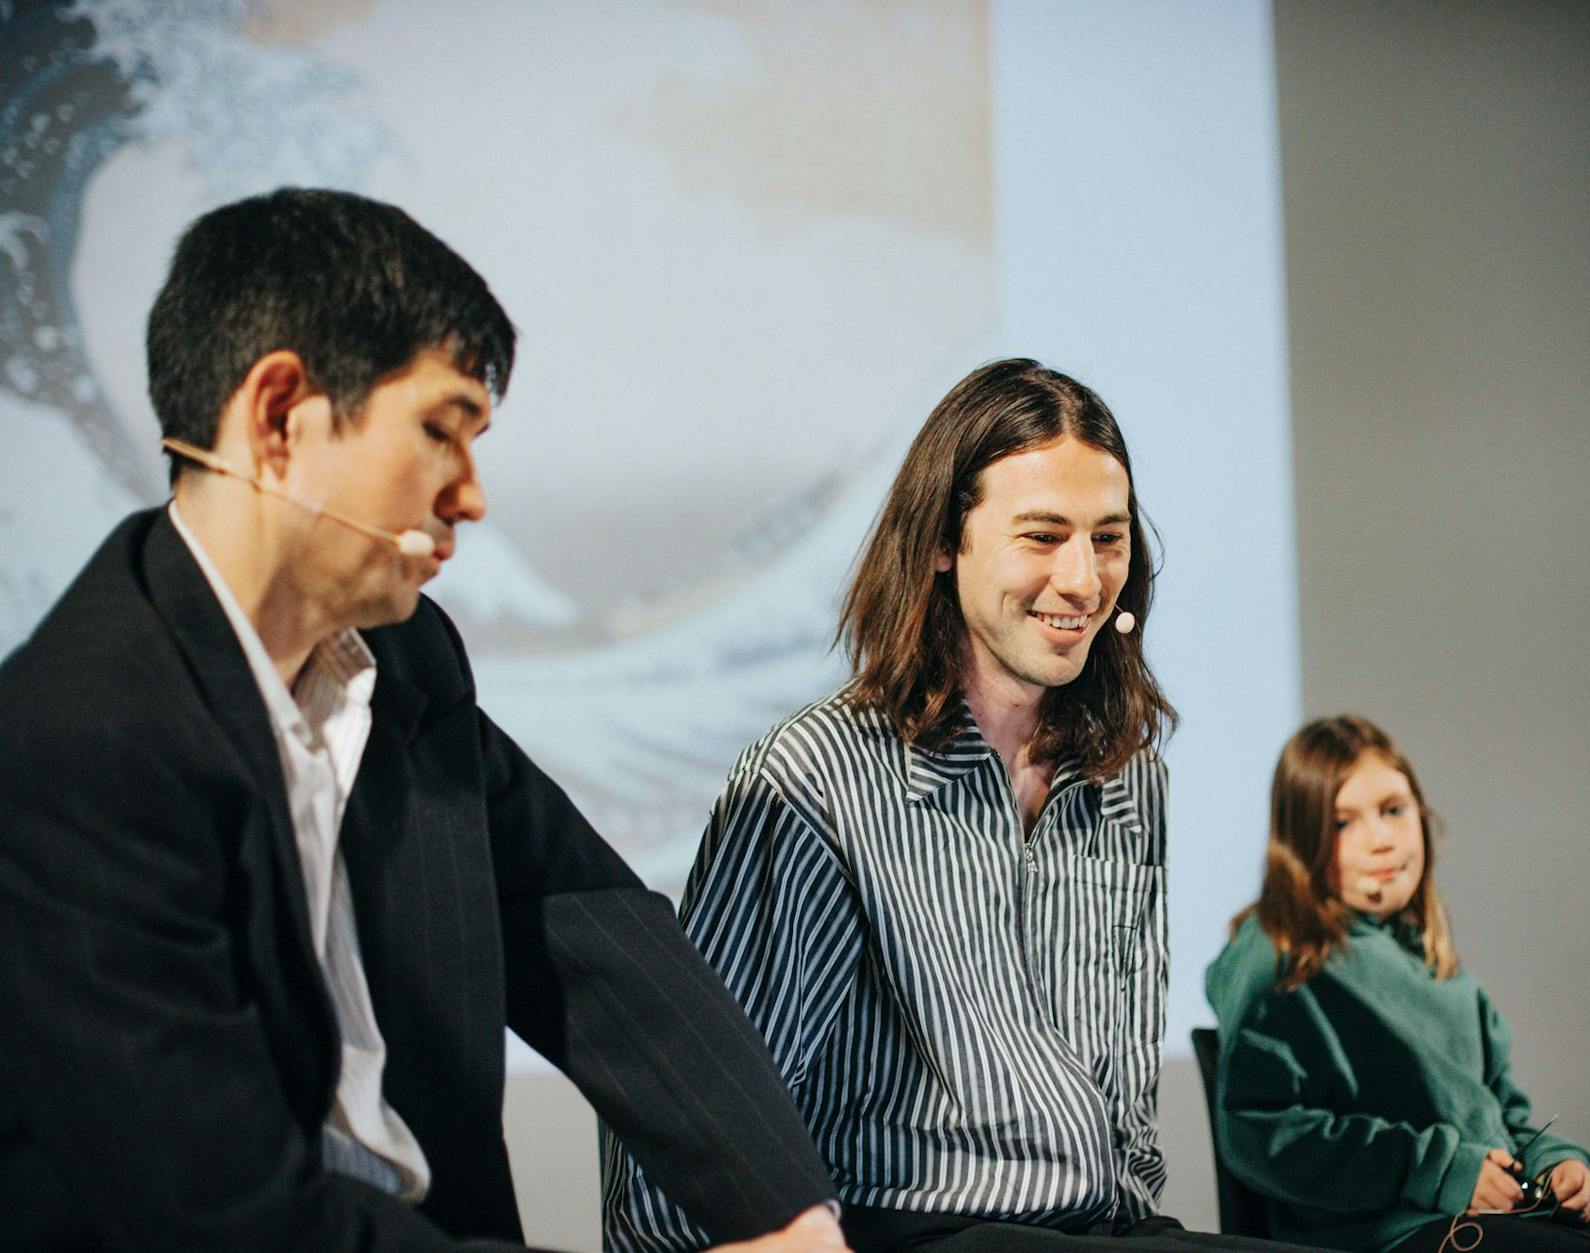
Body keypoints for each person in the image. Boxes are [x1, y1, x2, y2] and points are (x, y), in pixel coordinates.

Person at [0, 188, 846, 1252]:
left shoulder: (405, 659)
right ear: (278, 417)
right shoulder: (81, 738)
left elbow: (585, 922)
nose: (472, 495)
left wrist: (786, 1214)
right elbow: (223, 1214)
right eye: (440, 430)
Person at [605, 360, 1319, 1252]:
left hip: (1099, 1228)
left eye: (1107, 537)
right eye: (1043, 535)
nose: (1083, 579)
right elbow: (699, 1110)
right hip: (907, 1229)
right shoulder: (816, 778)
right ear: (945, 541)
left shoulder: (1127, 775)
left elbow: (1126, 1087)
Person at [1204, 715, 1590, 1253]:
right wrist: (1439, 1170)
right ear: (1301, 842)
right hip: (1387, 1235)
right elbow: (1260, 1133)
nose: (1380, 839)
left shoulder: (1439, 970)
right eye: (1344, 822)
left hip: (1504, 1214)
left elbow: (1505, 1116)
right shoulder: (1277, 950)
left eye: (1393, 810)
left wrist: (1557, 1162)